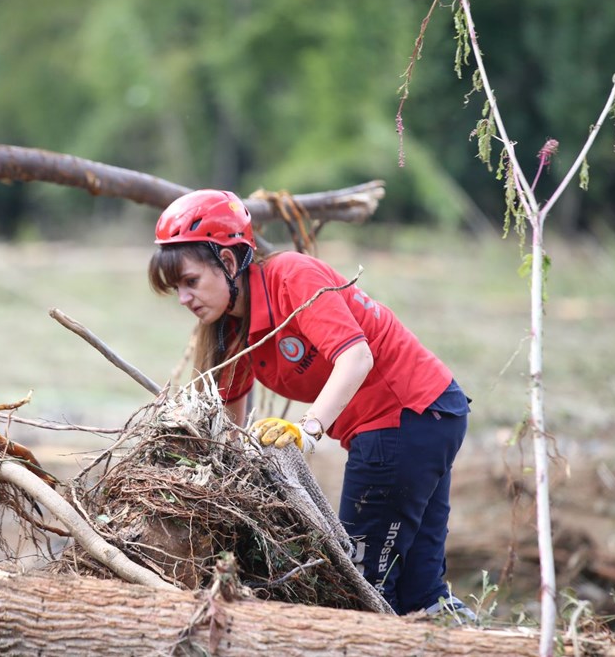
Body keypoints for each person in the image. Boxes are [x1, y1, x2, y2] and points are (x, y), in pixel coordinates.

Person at [148, 188, 474, 619]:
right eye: (177, 289)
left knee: (362, 589)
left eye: (191, 282)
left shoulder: (290, 276)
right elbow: (227, 423)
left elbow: (357, 358)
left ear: (228, 262)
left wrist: (307, 429)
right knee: (419, 592)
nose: (185, 299)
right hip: (426, 418)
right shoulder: (231, 328)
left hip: (405, 417)